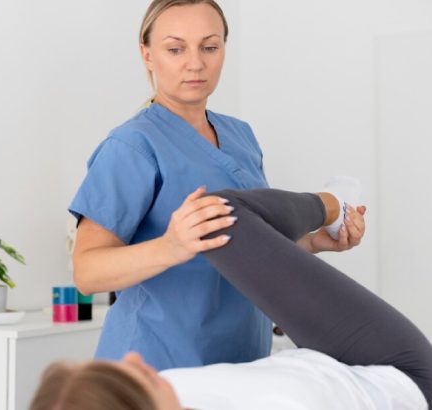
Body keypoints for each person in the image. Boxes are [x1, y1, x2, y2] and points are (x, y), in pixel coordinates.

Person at [68, 0, 367, 371]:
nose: (195, 63)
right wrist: (171, 246)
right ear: (147, 55)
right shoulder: (132, 146)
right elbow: (87, 272)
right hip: (155, 364)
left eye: (209, 47)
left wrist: (312, 243)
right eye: (175, 49)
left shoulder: (241, 137)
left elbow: (246, 246)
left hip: (241, 359)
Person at [32, 188, 431, 410]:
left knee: (211, 220)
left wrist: (302, 250)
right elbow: (85, 273)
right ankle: (333, 204)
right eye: (134, 376)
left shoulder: (165, 392)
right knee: (218, 215)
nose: (134, 359)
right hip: (397, 372)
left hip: (316, 357)